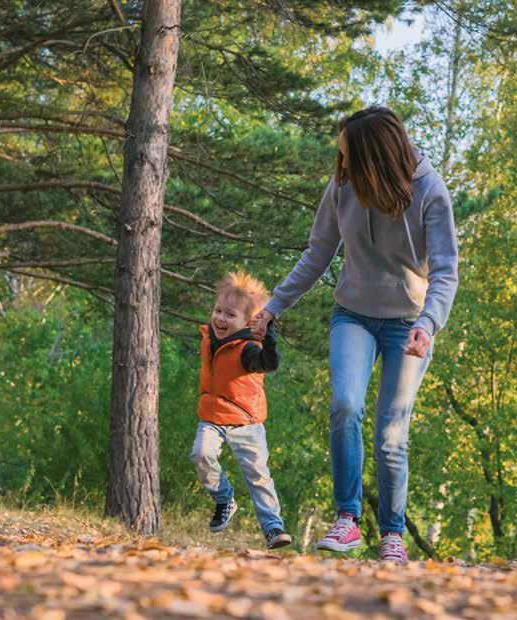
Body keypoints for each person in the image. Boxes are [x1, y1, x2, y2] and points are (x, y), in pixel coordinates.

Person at [251, 107, 458, 562]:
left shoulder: (429, 190)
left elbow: (445, 272)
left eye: (347, 158)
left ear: (374, 159)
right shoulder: (343, 185)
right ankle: (347, 520)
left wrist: (428, 323)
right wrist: (273, 307)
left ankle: (392, 534)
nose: (340, 168)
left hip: (410, 325)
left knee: (390, 434)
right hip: (354, 315)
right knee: (346, 404)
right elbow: (318, 253)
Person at [191, 271, 292, 549]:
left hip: (246, 422)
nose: (221, 319)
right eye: (218, 311)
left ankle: (273, 528)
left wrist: (268, 337)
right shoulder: (210, 339)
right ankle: (224, 498)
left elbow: (268, 363)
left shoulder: (248, 348)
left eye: (230, 315)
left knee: (258, 476)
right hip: (212, 415)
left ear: (246, 321)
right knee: (201, 454)